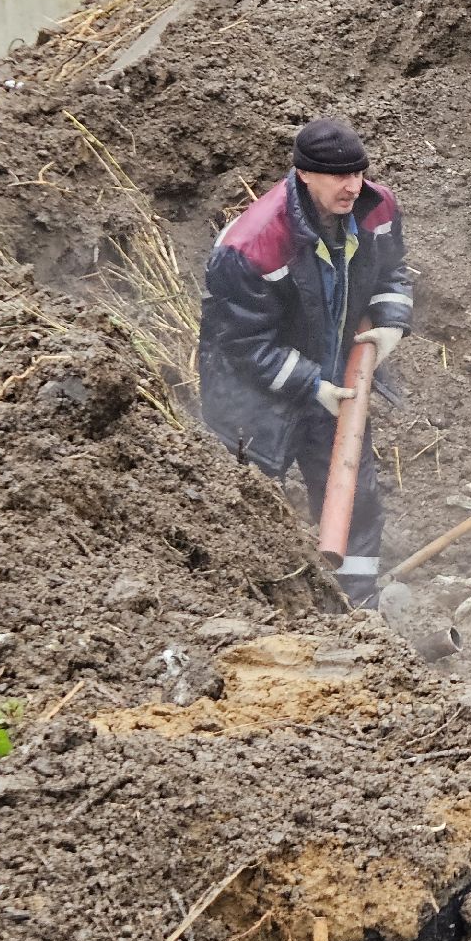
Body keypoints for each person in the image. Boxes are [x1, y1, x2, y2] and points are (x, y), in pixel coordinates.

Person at [198, 119, 413, 605]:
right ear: (303, 175)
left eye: (358, 173)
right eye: (339, 177)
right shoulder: (250, 245)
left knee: (354, 501)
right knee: (251, 507)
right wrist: (310, 383)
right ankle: (252, 610)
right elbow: (238, 341)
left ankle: (358, 615)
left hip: (333, 378)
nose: (352, 187)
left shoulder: (376, 209)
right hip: (254, 396)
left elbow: (393, 272)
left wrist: (390, 321)